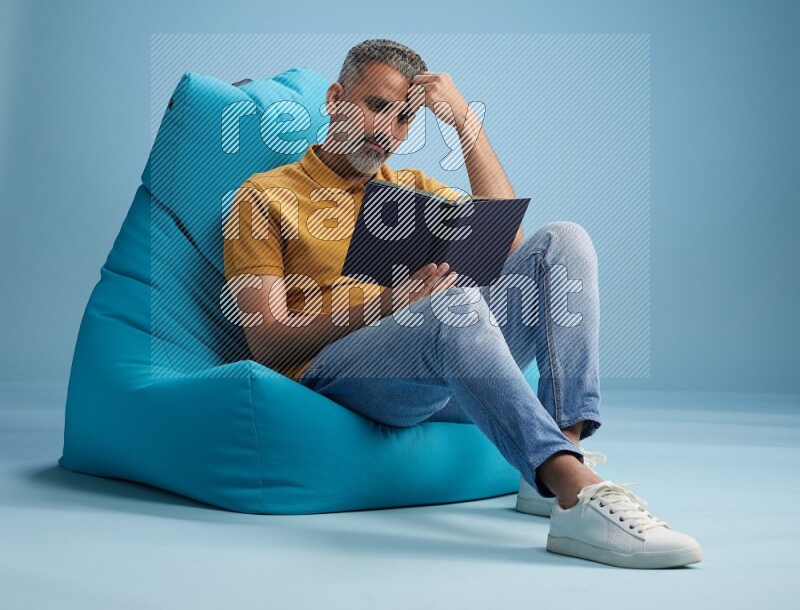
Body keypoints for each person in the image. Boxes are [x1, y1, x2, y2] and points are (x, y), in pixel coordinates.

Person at [223, 38, 702, 569]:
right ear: (336, 98)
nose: (388, 131)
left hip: (438, 364)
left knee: (563, 241)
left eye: (405, 119)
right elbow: (264, 340)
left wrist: (465, 125)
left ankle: (552, 464)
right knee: (454, 309)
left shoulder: (408, 189)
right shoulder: (263, 195)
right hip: (335, 377)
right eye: (376, 106)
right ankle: (576, 490)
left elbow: (514, 247)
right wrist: (386, 307)